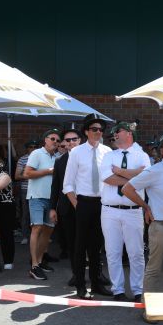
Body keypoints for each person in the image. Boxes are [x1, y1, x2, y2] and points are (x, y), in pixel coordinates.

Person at [123, 130, 163, 312]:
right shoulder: (153, 171)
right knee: (154, 268)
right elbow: (127, 188)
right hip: (161, 226)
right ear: (162, 150)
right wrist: (145, 206)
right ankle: (148, 308)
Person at [98, 122, 150, 301]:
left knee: (136, 253)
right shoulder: (108, 155)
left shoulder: (142, 155)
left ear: (128, 133)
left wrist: (120, 171)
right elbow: (107, 178)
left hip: (133, 210)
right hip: (110, 210)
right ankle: (118, 290)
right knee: (113, 252)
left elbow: (146, 177)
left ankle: (138, 290)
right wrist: (133, 177)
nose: (114, 134)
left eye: (117, 131)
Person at [62, 116, 113, 299]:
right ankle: (81, 286)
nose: (98, 132)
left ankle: (97, 284)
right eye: (94, 129)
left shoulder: (108, 152)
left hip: (102, 203)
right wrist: (77, 205)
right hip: (83, 203)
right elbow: (68, 184)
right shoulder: (76, 152)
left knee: (96, 246)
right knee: (80, 246)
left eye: (101, 129)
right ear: (86, 132)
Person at [23, 129, 61, 280]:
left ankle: (39, 262)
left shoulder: (58, 157)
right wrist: (48, 171)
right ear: (45, 140)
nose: (55, 142)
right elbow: (27, 174)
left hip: (52, 199)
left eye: (58, 140)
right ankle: (34, 266)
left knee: (48, 231)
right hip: (37, 197)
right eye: (53, 139)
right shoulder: (37, 153)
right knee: (37, 228)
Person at [50, 130, 82, 265]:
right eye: (68, 140)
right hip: (66, 207)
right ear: (64, 142)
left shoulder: (88, 157)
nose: (71, 142)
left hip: (87, 203)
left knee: (89, 238)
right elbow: (55, 186)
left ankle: (93, 269)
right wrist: (52, 208)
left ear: (80, 140)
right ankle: (76, 271)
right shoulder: (60, 161)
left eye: (74, 139)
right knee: (71, 241)